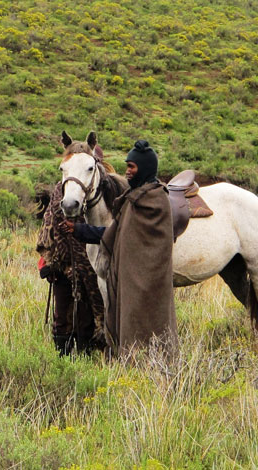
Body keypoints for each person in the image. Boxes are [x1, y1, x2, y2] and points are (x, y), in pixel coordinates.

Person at [62, 140, 177, 360]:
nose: (127, 171)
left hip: (150, 279)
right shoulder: (132, 199)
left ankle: (156, 363)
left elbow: (122, 235)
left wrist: (82, 231)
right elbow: (116, 233)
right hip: (134, 279)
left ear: (144, 168)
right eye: (127, 166)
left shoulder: (153, 200)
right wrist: (79, 230)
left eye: (132, 167)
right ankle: (130, 359)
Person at [36, 183, 105, 356]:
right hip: (61, 262)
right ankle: (63, 358)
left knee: (87, 314)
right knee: (62, 314)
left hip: (92, 265)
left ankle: (86, 356)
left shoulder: (99, 191)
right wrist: (47, 261)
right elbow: (48, 226)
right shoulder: (60, 191)